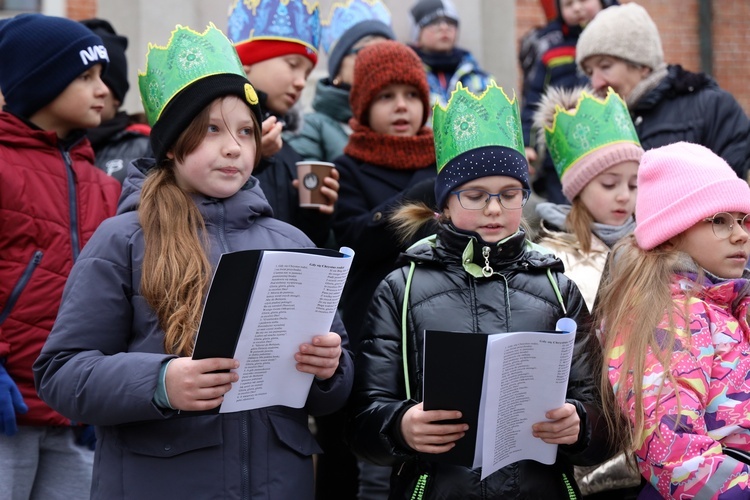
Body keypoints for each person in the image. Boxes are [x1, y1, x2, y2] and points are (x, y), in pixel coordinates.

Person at [32, 23, 353, 499]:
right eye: (211, 130)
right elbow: (61, 372)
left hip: (276, 484)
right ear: (172, 144)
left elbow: (338, 378)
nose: (233, 146)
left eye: (246, 131)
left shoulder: (291, 241)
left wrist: (330, 368)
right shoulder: (124, 238)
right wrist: (160, 382)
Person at [347, 81, 608, 499]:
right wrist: (399, 426)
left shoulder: (558, 289)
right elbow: (362, 419)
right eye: (474, 196)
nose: (492, 209)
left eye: (508, 195)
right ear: (445, 203)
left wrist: (580, 424)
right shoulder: (402, 287)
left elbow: (601, 413)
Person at [0, 13, 120, 499]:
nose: (102, 89)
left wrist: (103, 386)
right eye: (85, 76)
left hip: (73, 407)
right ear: (39, 81)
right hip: (9, 408)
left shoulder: (105, 186)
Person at [596, 141, 750, 499]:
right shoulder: (666, 315)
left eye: (744, 219)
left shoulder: (727, 302)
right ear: (672, 233)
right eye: (720, 221)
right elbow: (670, 447)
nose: (741, 233)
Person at [331, 39, 438, 499]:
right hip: (370, 334)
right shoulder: (346, 167)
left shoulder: (444, 162)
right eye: (387, 96)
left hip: (434, 330)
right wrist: (422, 195)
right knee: (369, 461)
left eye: (412, 95)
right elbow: (354, 238)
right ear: (363, 104)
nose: (402, 107)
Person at [576, 2, 750, 180]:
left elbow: (731, 194)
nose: (595, 83)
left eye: (605, 66)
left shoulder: (713, 108)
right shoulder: (596, 128)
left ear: (643, 65)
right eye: (589, 72)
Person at [227, 0, 338, 247]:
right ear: (247, 62)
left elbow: (302, 244)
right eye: (292, 65)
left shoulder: (290, 156)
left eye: (307, 74)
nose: (301, 82)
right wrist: (255, 159)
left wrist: (317, 215)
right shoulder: (204, 128)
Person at [533, 86, 642, 311]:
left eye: (634, 185)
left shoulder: (652, 246)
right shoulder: (552, 256)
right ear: (579, 189)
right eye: (609, 184)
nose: (624, 196)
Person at [521, 0, 618, 204]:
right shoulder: (551, 52)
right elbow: (533, 101)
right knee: (564, 215)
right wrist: (528, 144)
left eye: (583, 0)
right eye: (568, 4)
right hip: (560, 154)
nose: (576, 8)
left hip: (609, 147)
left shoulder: (619, 46)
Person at [286, 0, 395, 163]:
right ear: (337, 70)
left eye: (390, 53)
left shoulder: (417, 125)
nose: (379, 62)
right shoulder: (310, 129)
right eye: (366, 52)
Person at [80, 18, 152, 184]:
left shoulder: (146, 149)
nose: (99, 90)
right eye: (83, 78)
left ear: (117, 97)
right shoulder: (50, 146)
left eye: (103, 79)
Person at [408, 0, 492, 116]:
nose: (444, 27)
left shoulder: (475, 74)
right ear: (417, 33)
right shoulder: (407, 74)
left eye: (450, 22)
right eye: (434, 22)